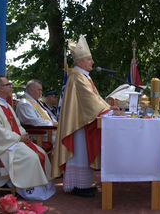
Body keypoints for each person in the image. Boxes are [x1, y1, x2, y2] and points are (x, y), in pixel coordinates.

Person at [52, 35, 121, 197]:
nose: (93, 62)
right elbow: (89, 101)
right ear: (80, 61)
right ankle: (77, 185)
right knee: (79, 153)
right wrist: (109, 111)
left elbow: (93, 99)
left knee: (82, 153)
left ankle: (82, 184)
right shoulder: (77, 76)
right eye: (90, 59)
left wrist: (109, 107)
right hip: (79, 123)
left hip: (82, 120)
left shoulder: (82, 76)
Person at [0, 75, 55, 200]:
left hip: (12, 141)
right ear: (1, 88)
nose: (11, 86)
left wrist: (23, 134)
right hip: (0, 148)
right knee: (31, 157)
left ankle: (41, 187)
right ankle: (30, 191)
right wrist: (18, 137)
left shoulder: (5, 105)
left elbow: (17, 124)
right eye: (8, 84)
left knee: (41, 153)